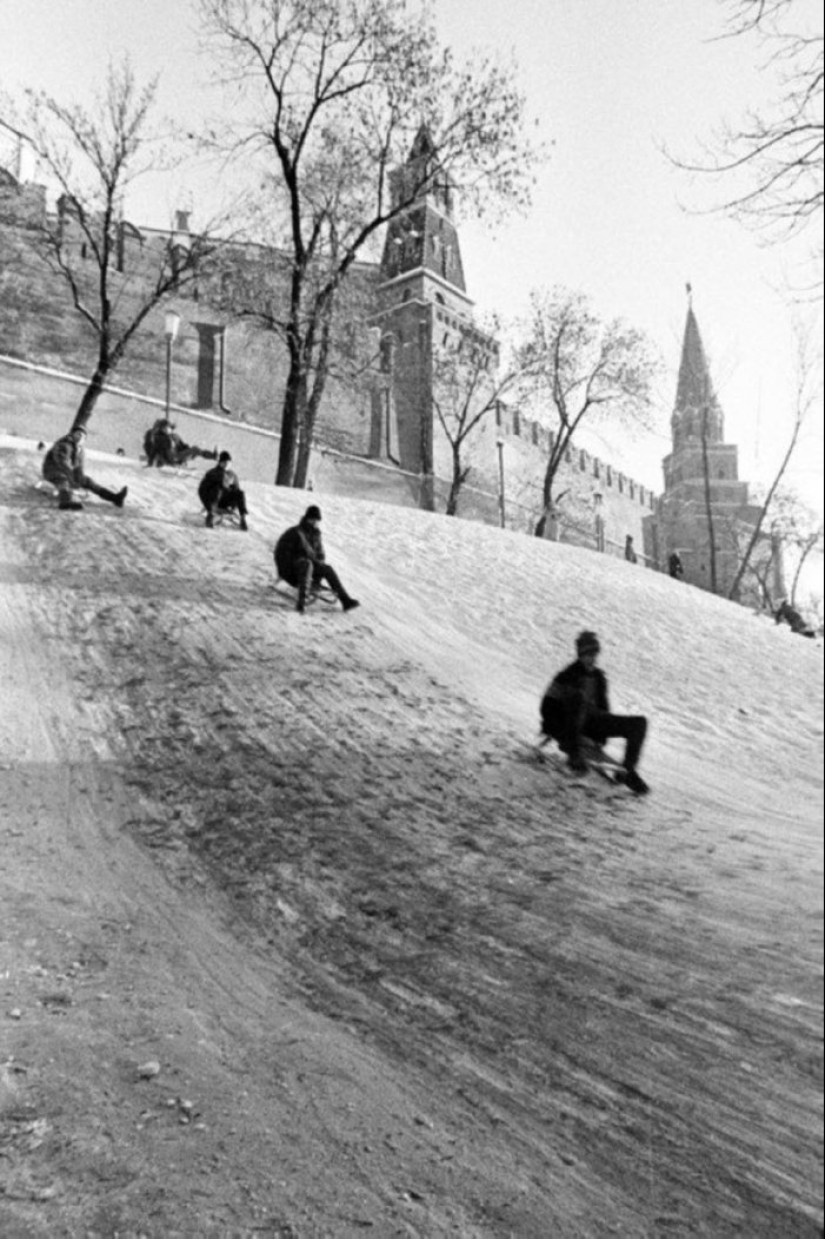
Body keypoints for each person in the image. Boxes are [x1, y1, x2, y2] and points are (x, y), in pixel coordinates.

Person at [540, 631, 649, 795]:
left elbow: (604, 709)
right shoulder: (566, 676)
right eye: (587, 655)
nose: (592, 658)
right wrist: (559, 733)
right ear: (580, 655)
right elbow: (546, 707)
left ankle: (627, 771)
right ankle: (574, 754)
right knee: (577, 698)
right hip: (568, 727)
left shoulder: (599, 677)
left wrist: (598, 741)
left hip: (591, 724)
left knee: (639, 723)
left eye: (594, 654)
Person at [274, 505, 360, 614]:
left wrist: (318, 577)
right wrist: (284, 572)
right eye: (312, 519)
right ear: (307, 518)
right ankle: (301, 603)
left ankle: (346, 601)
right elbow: (280, 554)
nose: (315, 522)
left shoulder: (316, 535)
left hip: (307, 571)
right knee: (306, 563)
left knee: (327, 568)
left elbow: (320, 555)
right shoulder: (295, 533)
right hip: (291, 571)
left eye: (317, 520)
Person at [42, 425, 128, 512]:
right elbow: (62, 463)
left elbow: (79, 468)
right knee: (62, 478)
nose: (81, 437)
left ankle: (115, 498)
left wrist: (79, 479)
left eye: (83, 436)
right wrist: (72, 479)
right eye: (78, 434)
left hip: (69, 473)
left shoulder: (80, 450)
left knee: (88, 481)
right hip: (52, 470)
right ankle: (65, 501)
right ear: (72, 434)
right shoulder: (64, 445)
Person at [198, 451, 248, 531]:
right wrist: (207, 505)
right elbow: (202, 489)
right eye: (224, 462)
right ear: (220, 463)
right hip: (213, 501)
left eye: (228, 463)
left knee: (240, 493)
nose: (226, 464)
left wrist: (234, 506)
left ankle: (243, 518)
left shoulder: (232, 474)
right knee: (218, 488)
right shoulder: (213, 472)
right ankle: (211, 515)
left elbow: (237, 490)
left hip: (225, 501)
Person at [144, 418, 217, 468]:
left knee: (195, 450)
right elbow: (155, 450)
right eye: (164, 428)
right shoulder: (160, 438)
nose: (167, 430)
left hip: (178, 456)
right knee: (195, 449)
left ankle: (213, 456)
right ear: (161, 429)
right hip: (171, 459)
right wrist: (151, 462)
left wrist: (188, 450)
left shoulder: (175, 436)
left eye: (168, 428)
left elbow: (182, 446)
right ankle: (212, 456)